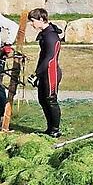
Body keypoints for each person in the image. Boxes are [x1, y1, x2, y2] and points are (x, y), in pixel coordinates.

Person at [26, 8, 63, 137]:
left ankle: (55, 129)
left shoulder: (51, 36)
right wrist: (38, 74)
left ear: (41, 19)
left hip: (51, 72)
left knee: (50, 99)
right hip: (44, 71)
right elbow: (42, 56)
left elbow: (49, 58)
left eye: (33, 21)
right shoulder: (45, 33)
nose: (31, 24)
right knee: (43, 99)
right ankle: (49, 127)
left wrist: (37, 74)